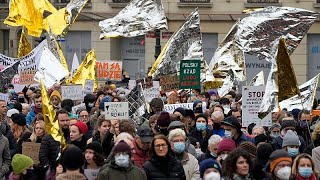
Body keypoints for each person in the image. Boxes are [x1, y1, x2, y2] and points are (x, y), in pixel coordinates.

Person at [39, 109, 71, 177]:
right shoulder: (48, 137)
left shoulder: (72, 135)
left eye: (67, 120)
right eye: (62, 121)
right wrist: (51, 170)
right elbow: (43, 157)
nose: (65, 123)